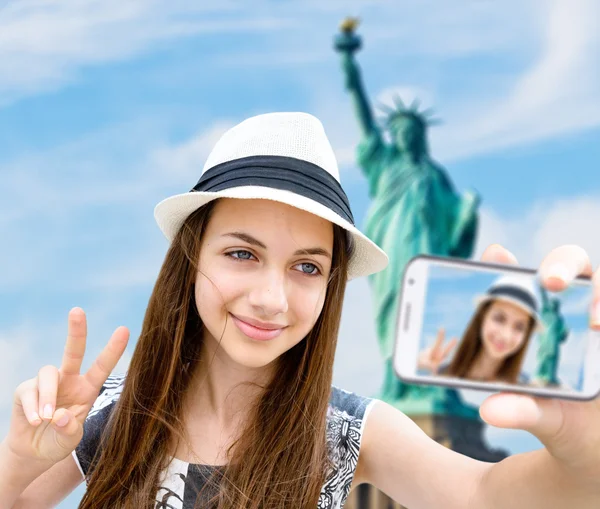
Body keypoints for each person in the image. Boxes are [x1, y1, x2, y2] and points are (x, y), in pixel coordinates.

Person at [1, 112, 599, 509]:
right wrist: (19, 457)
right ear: (190, 256)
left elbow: (488, 495)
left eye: (307, 267)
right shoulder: (110, 412)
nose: (271, 298)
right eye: (242, 253)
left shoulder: (346, 434)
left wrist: (583, 443)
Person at [418, 275, 545, 384]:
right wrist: (420, 370)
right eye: (499, 319)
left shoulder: (526, 392)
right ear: (482, 317)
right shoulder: (441, 376)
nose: (506, 335)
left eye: (519, 327)